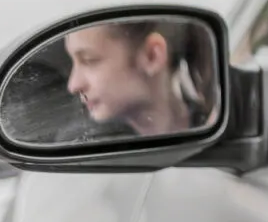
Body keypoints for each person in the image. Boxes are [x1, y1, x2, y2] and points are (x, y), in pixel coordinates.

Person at [64, 18, 214, 137]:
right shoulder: (82, 142)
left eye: (89, 60)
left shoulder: (216, 122)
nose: (73, 85)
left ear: (152, 56)